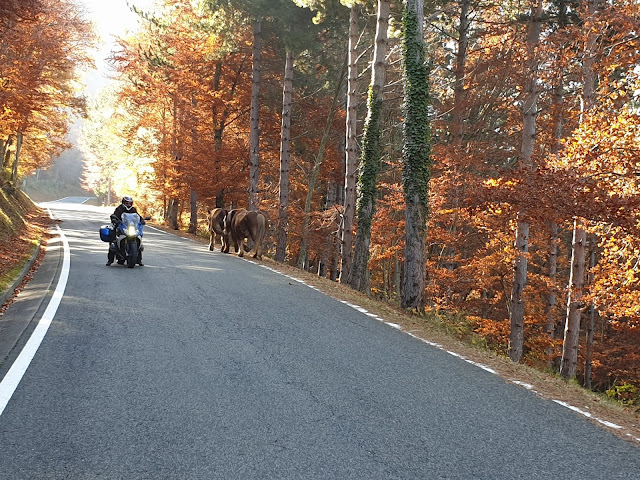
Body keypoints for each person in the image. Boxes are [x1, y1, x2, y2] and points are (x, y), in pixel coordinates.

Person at [106, 196, 145, 266]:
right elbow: (114, 215)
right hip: (121, 226)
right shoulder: (119, 208)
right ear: (123, 202)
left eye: (130, 203)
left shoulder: (133, 209)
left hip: (131, 227)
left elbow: (138, 216)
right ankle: (110, 260)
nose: (128, 205)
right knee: (113, 240)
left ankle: (139, 260)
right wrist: (114, 219)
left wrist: (142, 220)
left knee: (138, 238)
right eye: (127, 203)